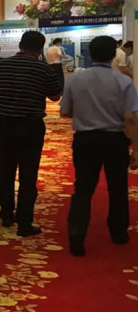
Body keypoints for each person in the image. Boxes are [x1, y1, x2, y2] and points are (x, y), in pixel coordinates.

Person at [60, 36, 138, 256]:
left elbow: (65, 111)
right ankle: (118, 233)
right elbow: (130, 117)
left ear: (90, 54)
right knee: (118, 188)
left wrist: (86, 115)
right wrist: (136, 147)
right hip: (115, 140)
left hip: (85, 140)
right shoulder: (123, 81)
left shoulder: (75, 79)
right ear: (114, 55)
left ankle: (77, 236)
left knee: (83, 189)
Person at [0, 31, 62, 236]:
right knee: (28, 175)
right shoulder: (44, 69)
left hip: (5, 124)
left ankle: (6, 215)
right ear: (40, 49)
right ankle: (25, 223)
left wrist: (3, 102)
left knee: (6, 171)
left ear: (20, 45)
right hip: (31, 126)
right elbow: (55, 96)